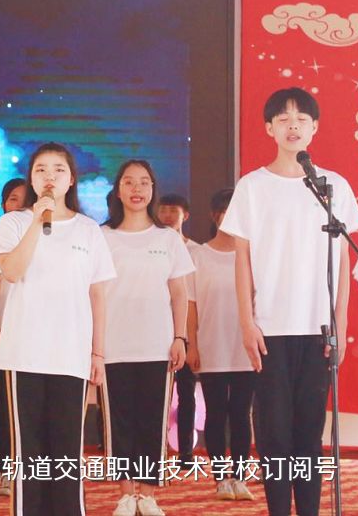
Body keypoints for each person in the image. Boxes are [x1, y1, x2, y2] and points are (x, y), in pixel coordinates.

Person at [220, 87, 358, 516]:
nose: (293, 125)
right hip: (271, 330)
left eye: (301, 119)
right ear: (269, 128)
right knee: (274, 433)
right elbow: (242, 260)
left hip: (318, 329)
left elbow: (342, 262)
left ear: (315, 127)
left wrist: (339, 324)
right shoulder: (252, 186)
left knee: (309, 433)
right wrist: (247, 322)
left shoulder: (333, 186)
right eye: (283, 119)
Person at [0, 143, 115, 515]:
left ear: (71, 178)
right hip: (24, 352)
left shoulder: (88, 229)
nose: (49, 177)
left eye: (58, 169)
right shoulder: (12, 223)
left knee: (66, 450)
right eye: (41, 170)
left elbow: (98, 294)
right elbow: (11, 272)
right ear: (31, 179)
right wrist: (36, 221)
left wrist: (98, 352)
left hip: (71, 353)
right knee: (28, 450)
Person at [101, 160, 194, 516]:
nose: (136, 189)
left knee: (152, 421)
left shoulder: (167, 238)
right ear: (118, 190)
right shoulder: (102, 236)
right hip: (113, 346)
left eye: (144, 182)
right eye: (129, 182)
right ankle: (126, 495)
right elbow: (93, 293)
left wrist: (180, 337)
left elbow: (179, 293)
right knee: (120, 422)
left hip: (157, 345)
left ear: (153, 189)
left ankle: (148, 495)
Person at [186, 188, 256, 502]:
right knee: (215, 413)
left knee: (241, 414)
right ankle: (220, 479)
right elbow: (191, 305)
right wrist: (192, 344)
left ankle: (239, 477)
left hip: (244, 348)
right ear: (215, 216)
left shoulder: (251, 257)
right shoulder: (198, 255)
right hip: (211, 346)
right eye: (225, 212)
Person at [0, 176, 27, 498]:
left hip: (34, 343)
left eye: (26, 200)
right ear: (3, 205)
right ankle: (7, 474)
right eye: (13, 199)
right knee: (3, 409)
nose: (20, 206)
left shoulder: (47, 238)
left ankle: (33, 472)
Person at [157, 193, 198, 467]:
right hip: (157, 331)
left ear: (186, 215)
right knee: (157, 397)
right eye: (164, 210)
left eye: (174, 210)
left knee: (186, 394)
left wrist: (189, 337)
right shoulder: (155, 244)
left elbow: (193, 297)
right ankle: (157, 451)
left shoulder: (196, 251)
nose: (168, 215)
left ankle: (185, 452)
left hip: (184, 334)